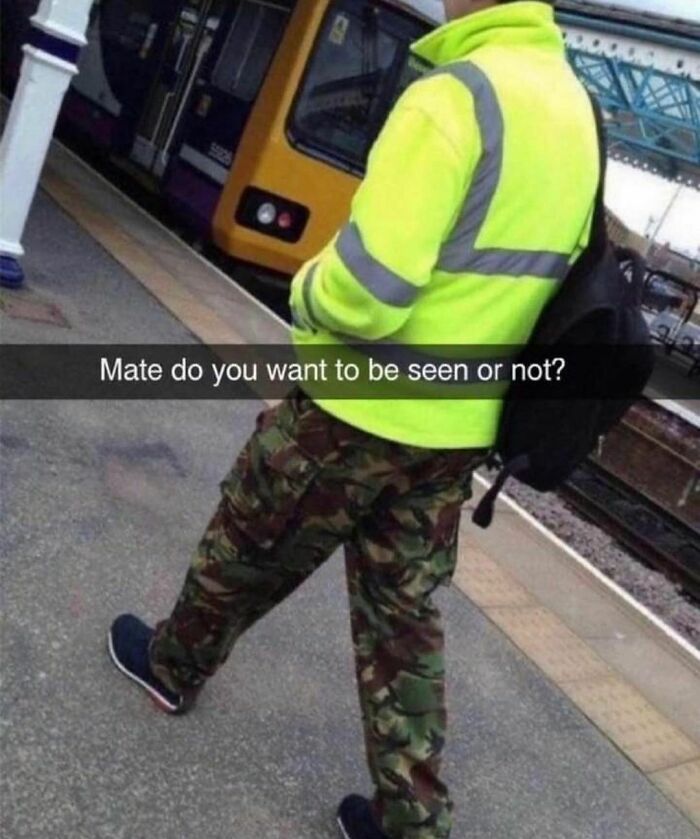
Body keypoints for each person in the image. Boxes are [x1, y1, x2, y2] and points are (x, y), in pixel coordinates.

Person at [108, 1, 599, 837]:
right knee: (403, 619)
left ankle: (171, 664)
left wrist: (305, 290)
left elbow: (368, 295)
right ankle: (411, 818)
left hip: (354, 408)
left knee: (248, 539)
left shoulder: (456, 97)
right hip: (455, 433)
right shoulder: (577, 115)